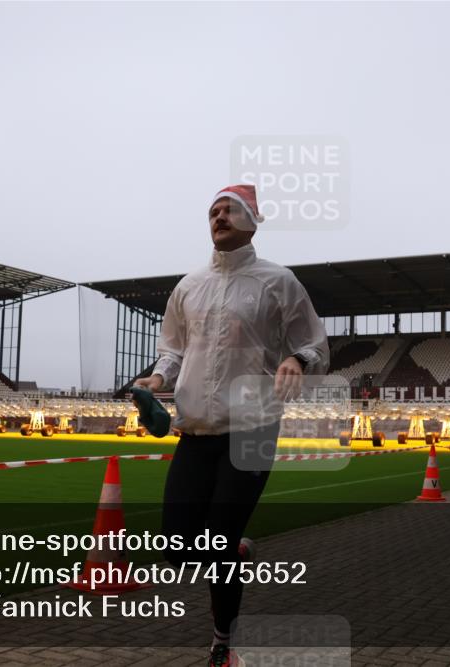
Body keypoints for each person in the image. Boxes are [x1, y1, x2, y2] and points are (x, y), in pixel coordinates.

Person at [134, 184, 330, 667]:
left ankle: (223, 644)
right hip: (196, 428)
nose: (218, 216)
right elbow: (174, 350)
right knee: (178, 548)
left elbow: (316, 344)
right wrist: (158, 377)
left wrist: (296, 360)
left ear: (253, 220)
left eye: (229, 210)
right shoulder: (188, 286)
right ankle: (235, 550)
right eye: (213, 211)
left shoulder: (279, 282)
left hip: (253, 429)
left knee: (218, 545)